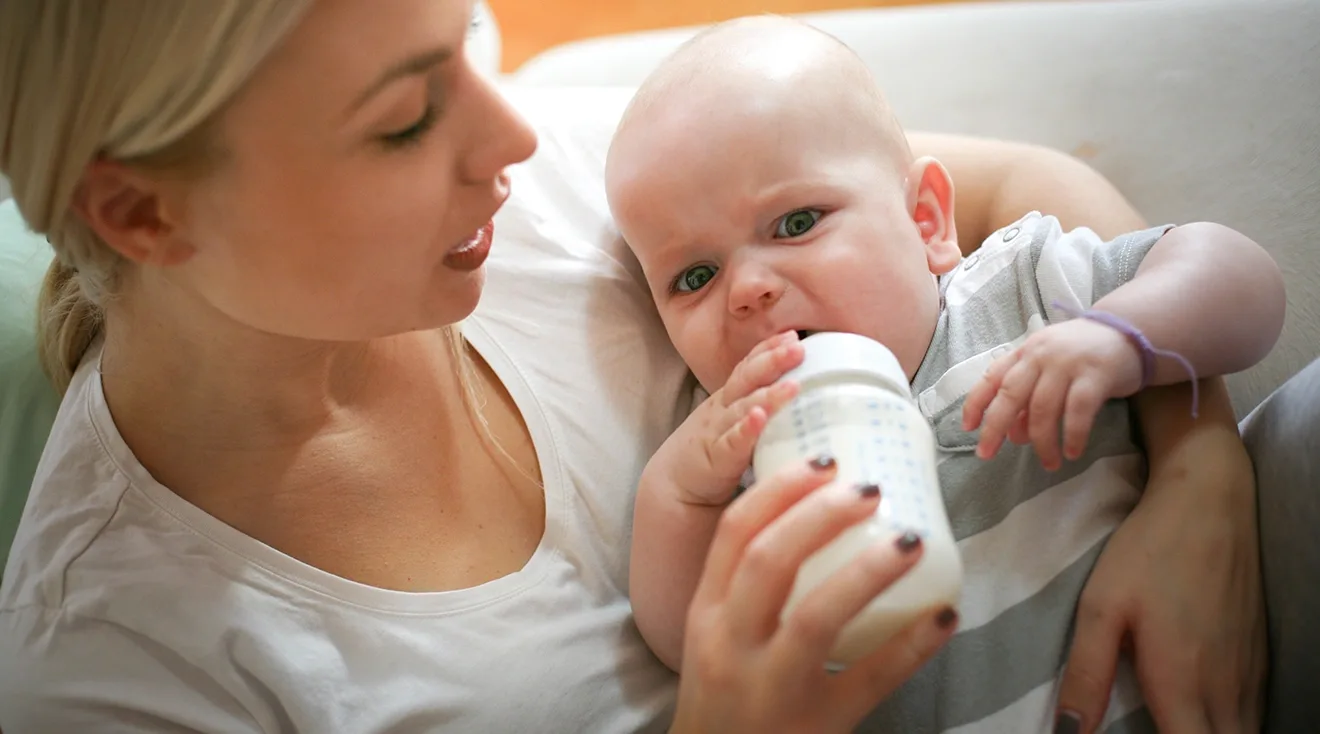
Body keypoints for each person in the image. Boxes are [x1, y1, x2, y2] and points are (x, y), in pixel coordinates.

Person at [0, 2, 1276, 733]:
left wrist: (1196, 474)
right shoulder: (114, 676)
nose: (516, 133)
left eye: (473, 38)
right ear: (144, 213)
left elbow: (1008, 197)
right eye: (402, 119)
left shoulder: (541, 192)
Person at [606, 16, 1286, 734]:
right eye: (696, 276)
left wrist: (1120, 338)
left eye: (796, 223)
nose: (747, 289)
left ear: (926, 220)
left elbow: (1242, 280)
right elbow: (690, 648)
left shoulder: (1023, 289)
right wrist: (676, 495)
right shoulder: (755, 459)